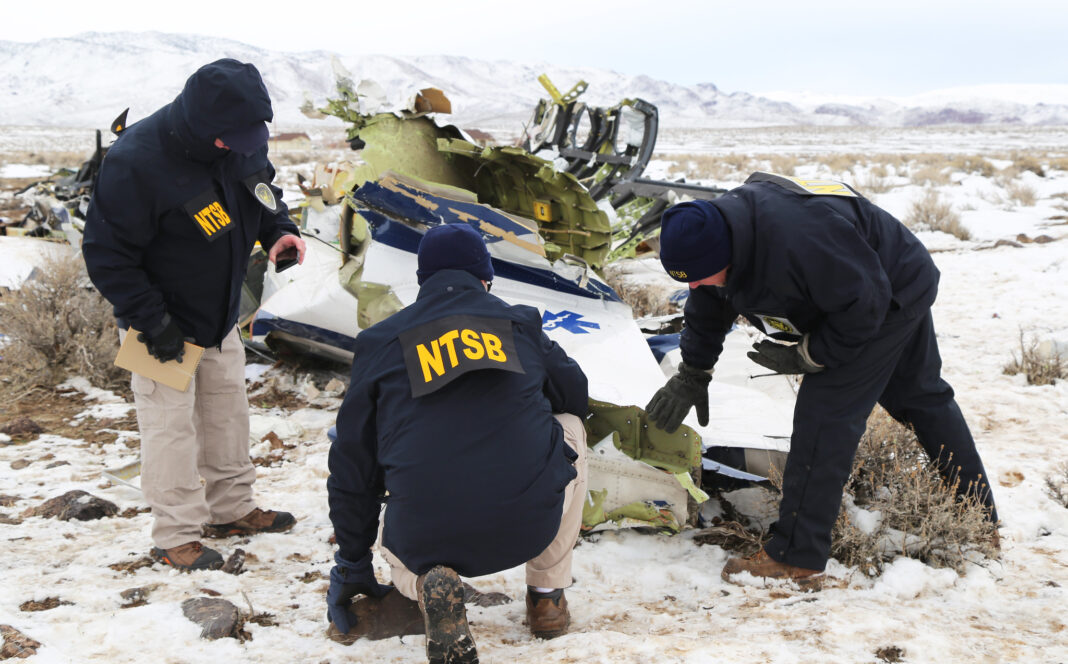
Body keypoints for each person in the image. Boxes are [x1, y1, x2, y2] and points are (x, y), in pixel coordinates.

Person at [646, 171, 998, 587]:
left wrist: (809, 354)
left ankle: (796, 556)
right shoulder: (714, 237)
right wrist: (693, 372)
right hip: (872, 280)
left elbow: (864, 307)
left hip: (884, 296)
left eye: (705, 275)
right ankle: (982, 516)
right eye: (690, 279)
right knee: (922, 397)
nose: (700, 285)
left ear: (729, 252)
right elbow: (708, 302)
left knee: (824, 413)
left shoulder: (800, 239)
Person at [327, 223, 588, 663]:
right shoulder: (518, 322)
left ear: (421, 281)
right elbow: (574, 395)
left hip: (424, 536)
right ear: (486, 278)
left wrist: (352, 562)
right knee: (570, 427)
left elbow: (353, 464)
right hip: (527, 527)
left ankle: (424, 584)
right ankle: (546, 596)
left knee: (364, 443)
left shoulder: (380, 342)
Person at [82, 59, 306, 571]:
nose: (243, 145)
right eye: (232, 138)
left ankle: (232, 508)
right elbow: (106, 254)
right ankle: (176, 534)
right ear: (205, 127)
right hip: (158, 322)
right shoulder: (137, 161)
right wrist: (154, 322)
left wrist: (279, 230)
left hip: (220, 313)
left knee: (228, 413)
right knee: (169, 428)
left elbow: (263, 190)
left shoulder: (243, 140)